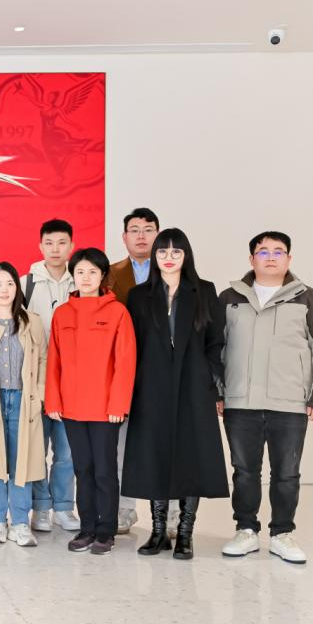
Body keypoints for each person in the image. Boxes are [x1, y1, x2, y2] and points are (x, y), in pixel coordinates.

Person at [218, 232, 313, 565]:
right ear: (251, 259)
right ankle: (245, 530)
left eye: (278, 251)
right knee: (244, 472)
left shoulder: (309, 298)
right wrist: (217, 391)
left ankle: (282, 534)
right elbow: (214, 348)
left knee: (286, 473)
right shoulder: (230, 298)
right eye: (262, 252)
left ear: (289, 258)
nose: (270, 257)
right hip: (240, 403)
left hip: (290, 403)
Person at [122, 230, 228, 560]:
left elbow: (216, 341)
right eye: (162, 252)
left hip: (193, 387)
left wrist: (210, 379)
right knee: (154, 454)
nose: (169, 258)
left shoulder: (204, 291)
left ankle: (184, 533)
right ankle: (157, 532)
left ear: (186, 255)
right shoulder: (139, 295)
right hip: (151, 388)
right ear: (154, 257)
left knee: (191, 456)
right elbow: (132, 345)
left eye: (176, 252)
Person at [45, 248, 136, 555]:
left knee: (104, 471)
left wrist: (118, 405)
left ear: (103, 276)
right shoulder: (62, 313)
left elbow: (125, 362)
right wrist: (53, 400)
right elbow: (54, 361)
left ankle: (106, 531)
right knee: (82, 469)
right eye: (80, 272)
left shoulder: (117, 313)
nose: (86, 278)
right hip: (72, 407)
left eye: (92, 272)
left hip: (105, 408)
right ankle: (87, 529)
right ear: (73, 275)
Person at [0, 262, 47, 547]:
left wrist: (39, 393)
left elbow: (43, 359)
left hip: (23, 400)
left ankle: (21, 523)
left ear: (17, 288)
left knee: (21, 462)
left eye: (10, 283)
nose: (4, 290)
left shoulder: (32, 322)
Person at [103, 208, 165, 535]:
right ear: (124, 237)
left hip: (163, 372)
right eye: (135, 230)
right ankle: (124, 510)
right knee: (121, 445)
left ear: (159, 235)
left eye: (148, 229)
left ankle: (166, 511)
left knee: (163, 443)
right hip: (122, 370)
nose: (141, 236)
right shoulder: (109, 275)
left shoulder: (172, 271)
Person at [20, 219, 81, 534]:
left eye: (61, 242)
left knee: (67, 451)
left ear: (71, 245)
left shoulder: (82, 280)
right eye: (49, 242)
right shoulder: (25, 283)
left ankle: (64, 507)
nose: (55, 249)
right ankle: (41, 508)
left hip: (72, 380)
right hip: (35, 379)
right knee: (36, 449)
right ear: (40, 246)